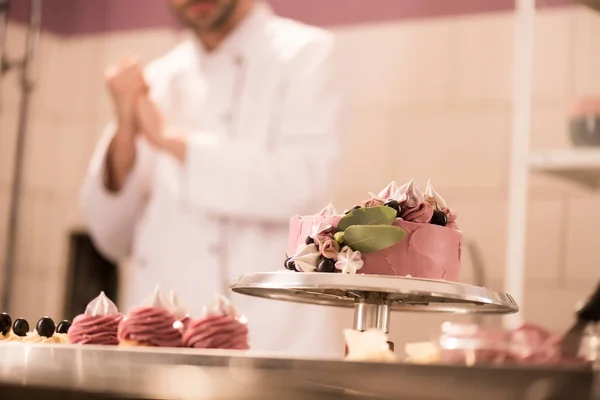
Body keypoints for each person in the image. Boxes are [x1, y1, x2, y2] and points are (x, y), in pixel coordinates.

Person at [80, 0, 343, 357]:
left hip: (271, 341)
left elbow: (303, 184)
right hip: (158, 342)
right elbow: (110, 236)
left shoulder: (305, 53)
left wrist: (172, 142)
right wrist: (126, 132)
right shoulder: (156, 78)